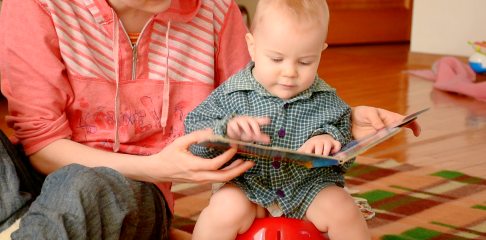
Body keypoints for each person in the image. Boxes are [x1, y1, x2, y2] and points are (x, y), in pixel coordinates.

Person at [0, 0, 420, 239]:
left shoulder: (217, 12)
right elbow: (40, 145)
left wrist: (343, 119)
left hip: (123, 187)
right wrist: (158, 163)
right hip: (34, 178)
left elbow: (262, 98)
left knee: (81, 184)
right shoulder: (34, 6)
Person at [184, 1, 394, 239]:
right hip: (248, 185)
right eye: (276, 59)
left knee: (344, 210)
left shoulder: (326, 99)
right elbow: (193, 134)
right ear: (252, 46)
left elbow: (345, 146)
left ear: (320, 52)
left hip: (307, 187)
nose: (290, 72)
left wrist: (330, 139)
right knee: (222, 211)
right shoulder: (231, 93)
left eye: (305, 62)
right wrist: (225, 130)